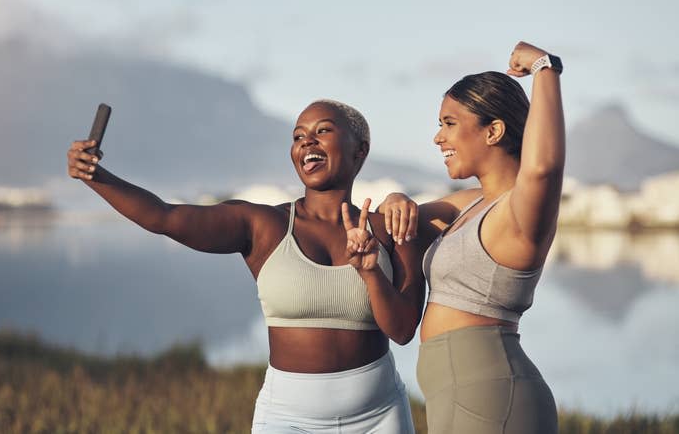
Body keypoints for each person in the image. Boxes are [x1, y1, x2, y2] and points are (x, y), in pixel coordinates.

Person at [66, 99, 424, 433]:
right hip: (287, 420)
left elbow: (404, 331)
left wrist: (371, 273)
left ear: (360, 149)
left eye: (323, 131)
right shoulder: (262, 225)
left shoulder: (391, 228)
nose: (306, 142)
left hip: (379, 417)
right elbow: (165, 217)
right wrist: (97, 177)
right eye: (298, 136)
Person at [379, 41, 563, 433]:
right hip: (461, 396)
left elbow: (543, 166)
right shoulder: (469, 204)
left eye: (449, 123)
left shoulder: (521, 212)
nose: (437, 138)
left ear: (494, 130)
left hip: (494, 399)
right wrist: (396, 199)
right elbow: (393, 225)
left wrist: (544, 68)